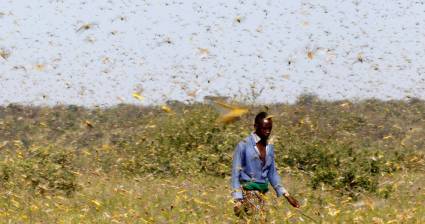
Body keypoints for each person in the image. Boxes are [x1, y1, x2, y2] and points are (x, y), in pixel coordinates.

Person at [231, 112, 300, 221]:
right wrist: (237, 199)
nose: (267, 131)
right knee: (260, 219)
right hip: (248, 192)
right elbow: (235, 174)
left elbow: (272, 174)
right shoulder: (243, 145)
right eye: (264, 128)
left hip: (263, 194)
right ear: (255, 127)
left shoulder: (269, 148)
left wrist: (287, 196)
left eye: (270, 128)